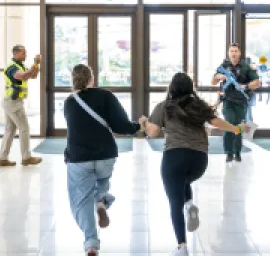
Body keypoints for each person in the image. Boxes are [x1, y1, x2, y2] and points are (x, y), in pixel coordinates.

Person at [139, 72, 249, 256]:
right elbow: (216, 121)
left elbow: (152, 133)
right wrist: (236, 129)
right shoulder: (199, 105)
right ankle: (189, 205)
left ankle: (181, 246)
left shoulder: (164, 106)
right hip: (199, 161)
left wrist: (143, 123)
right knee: (184, 180)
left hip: (174, 157)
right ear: (191, 88)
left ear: (172, 88)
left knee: (175, 201)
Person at [64, 64, 143, 256]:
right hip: (106, 155)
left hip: (79, 157)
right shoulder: (105, 96)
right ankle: (101, 201)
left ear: (73, 80)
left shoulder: (69, 102)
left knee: (82, 201)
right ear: (92, 78)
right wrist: (137, 126)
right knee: (102, 180)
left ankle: (91, 243)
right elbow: (121, 125)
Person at [211, 43, 260, 163]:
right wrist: (220, 76)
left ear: (239, 53)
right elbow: (213, 81)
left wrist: (245, 86)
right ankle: (229, 152)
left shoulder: (246, 67)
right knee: (229, 123)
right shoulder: (224, 66)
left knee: (238, 125)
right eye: (231, 51)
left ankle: (237, 151)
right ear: (229, 53)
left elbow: (257, 82)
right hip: (227, 101)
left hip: (241, 102)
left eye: (235, 51)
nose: (233, 53)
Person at [0, 45, 42, 166]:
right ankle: (26, 157)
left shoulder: (21, 65)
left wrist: (36, 64)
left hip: (12, 101)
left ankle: (2, 158)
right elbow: (23, 76)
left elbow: (32, 75)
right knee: (24, 128)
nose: (26, 55)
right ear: (16, 53)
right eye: (24, 53)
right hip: (13, 102)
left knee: (10, 130)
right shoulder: (12, 67)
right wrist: (34, 63)